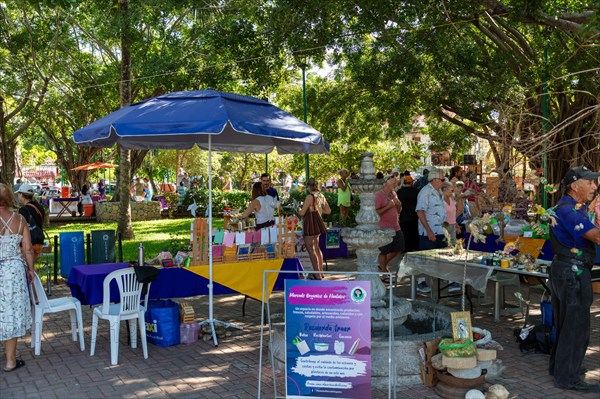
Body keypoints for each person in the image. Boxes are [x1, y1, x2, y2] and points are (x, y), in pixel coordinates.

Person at [548, 166, 600, 393]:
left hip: (568, 270)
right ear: (575, 185)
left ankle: (561, 369)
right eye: (590, 183)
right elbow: (596, 236)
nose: (595, 187)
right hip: (572, 273)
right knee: (575, 325)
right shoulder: (567, 210)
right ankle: (567, 377)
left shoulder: (571, 208)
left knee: (565, 323)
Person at [0, 183, 35, 372]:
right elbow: (28, 249)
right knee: (10, 314)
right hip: (13, 272)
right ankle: (10, 361)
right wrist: (31, 270)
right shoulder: (20, 219)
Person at [415, 168, 447, 292]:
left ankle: (438, 281)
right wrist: (428, 231)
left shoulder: (439, 191)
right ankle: (421, 282)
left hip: (440, 230)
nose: (443, 182)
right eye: (442, 179)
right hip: (429, 231)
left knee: (441, 256)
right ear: (434, 179)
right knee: (425, 258)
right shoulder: (425, 192)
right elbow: (420, 211)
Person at [298, 178, 331, 279]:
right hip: (318, 224)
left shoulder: (310, 196)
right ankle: (320, 272)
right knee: (317, 248)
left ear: (308, 186)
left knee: (310, 249)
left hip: (310, 224)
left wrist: (298, 209)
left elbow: (302, 213)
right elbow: (328, 211)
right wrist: (318, 210)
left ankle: (316, 274)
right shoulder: (320, 195)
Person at [375, 176, 404, 283]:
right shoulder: (378, 195)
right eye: (393, 183)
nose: (395, 185)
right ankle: (383, 273)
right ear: (385, 183)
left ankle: (382, 266)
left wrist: (399, 205)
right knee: (383, 251)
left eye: (396, 183)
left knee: (399, 247)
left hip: (395, 226)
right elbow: (376, 213)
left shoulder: (394, 194)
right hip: (383, 227)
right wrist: (388, 206)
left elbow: (398, 211)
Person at [16, 184, 45, 259]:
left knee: (27, 268)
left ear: (22, 195)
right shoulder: (39, 207)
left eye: (18, 194)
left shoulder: (23, 210)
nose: (18, 196)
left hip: (27, 243)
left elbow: (20, 228)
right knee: (32, 266)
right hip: (38, 241)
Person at [397, 172, 419, 253]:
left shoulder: (399, 192)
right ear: (411, 182)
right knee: (414, 233)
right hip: (415, 216)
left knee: (405, 233)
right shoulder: (416, 191)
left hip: (404, 216)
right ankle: (415, 247)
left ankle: (406, 248)